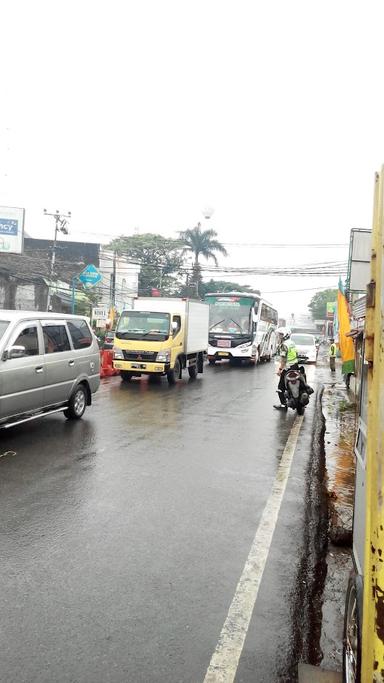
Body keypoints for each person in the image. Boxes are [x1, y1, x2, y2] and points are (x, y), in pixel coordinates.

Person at [273, 327, 300, 409]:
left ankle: (283, 404)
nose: (279, 336)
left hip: (287, 367)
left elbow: (283, 360)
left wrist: (280, 370)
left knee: (280, 386)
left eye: (281, 334)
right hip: (295, 366)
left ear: (285, 335)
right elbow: (296, 353)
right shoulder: (292, 343)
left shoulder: (284, 345)